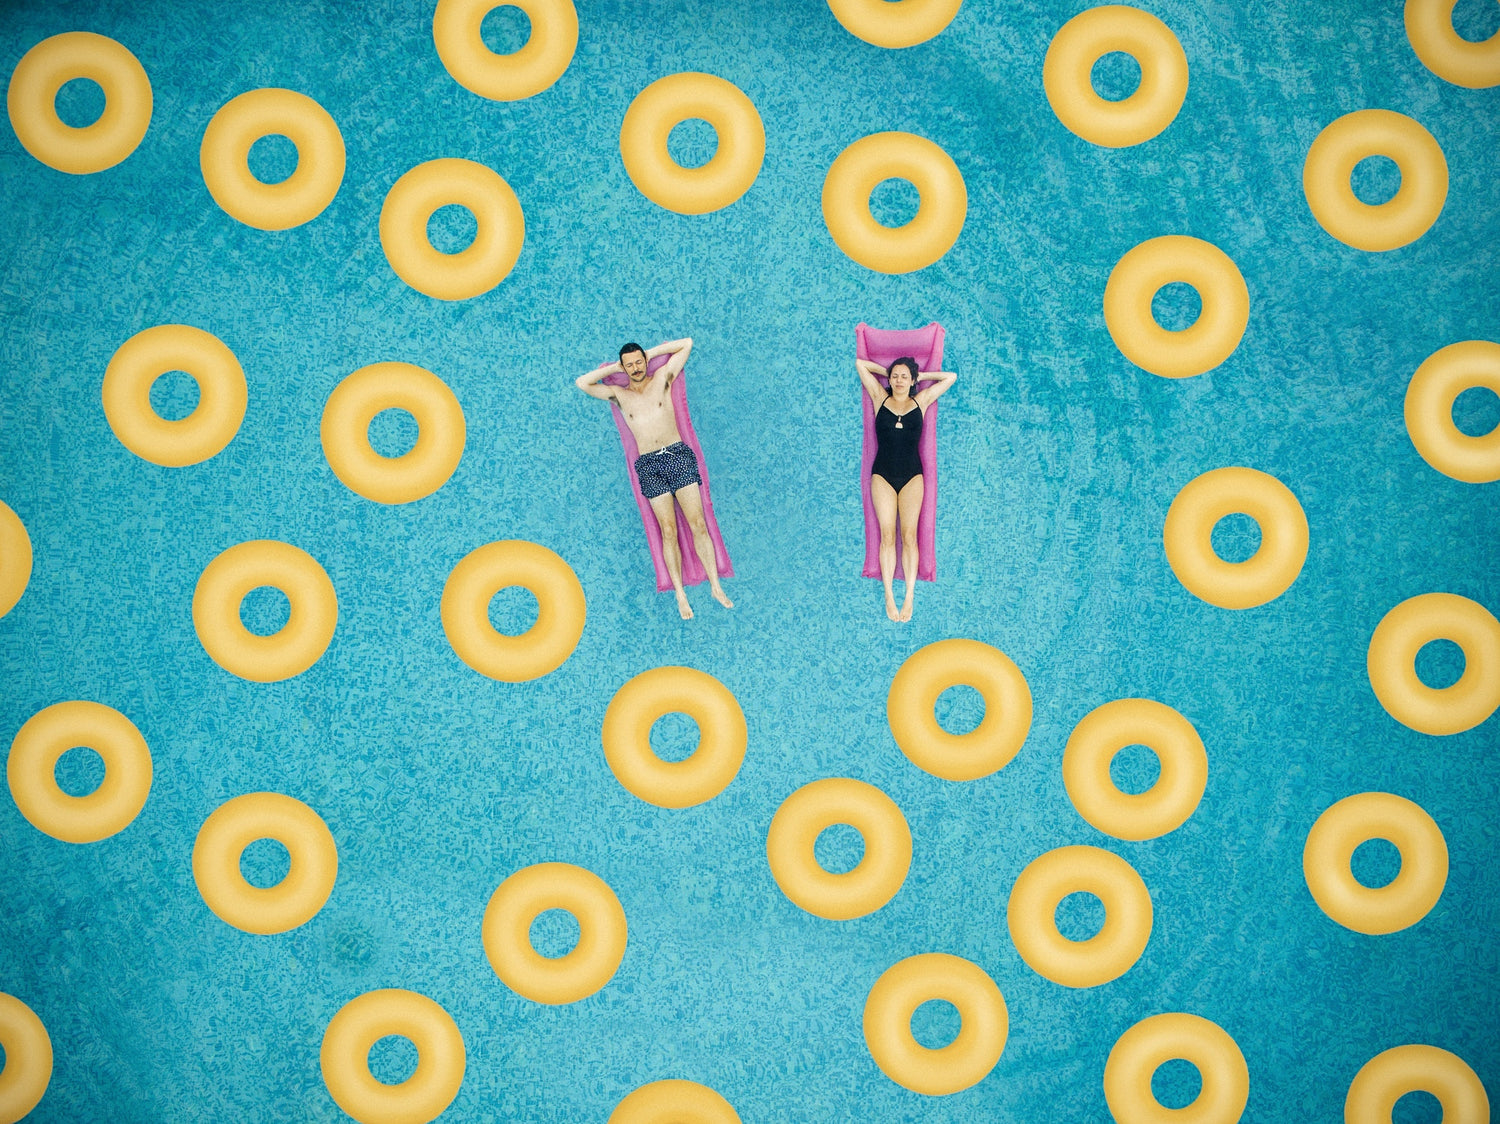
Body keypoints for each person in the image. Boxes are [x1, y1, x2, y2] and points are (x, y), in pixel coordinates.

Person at [577, 339, 733, 620]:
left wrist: (651, 354)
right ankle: (680, 593)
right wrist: (614, 367)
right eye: (630, 365)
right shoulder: (618, 394)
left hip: (677, 455)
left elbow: (686, 345)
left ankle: (715, 585)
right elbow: (583, 383)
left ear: (645, 361)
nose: (636, 368)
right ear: (623, 368)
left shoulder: (662, 378)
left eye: (639, 362)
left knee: (698, 523)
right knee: (668, 531)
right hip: (649, 465)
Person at [856, 355, 956, 622]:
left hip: (913, 476)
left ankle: (909, 595)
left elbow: (950, 378)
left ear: (912, 380)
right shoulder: (879, 397)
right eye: (895, 376)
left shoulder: (920, 401)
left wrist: (920, 377)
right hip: (883, 476)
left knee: (909, 536)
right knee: (888, 536)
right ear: (889, 379)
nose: (899, 380)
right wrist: (887, 373)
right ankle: (889, 594)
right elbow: (860, 365)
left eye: (904, 376)